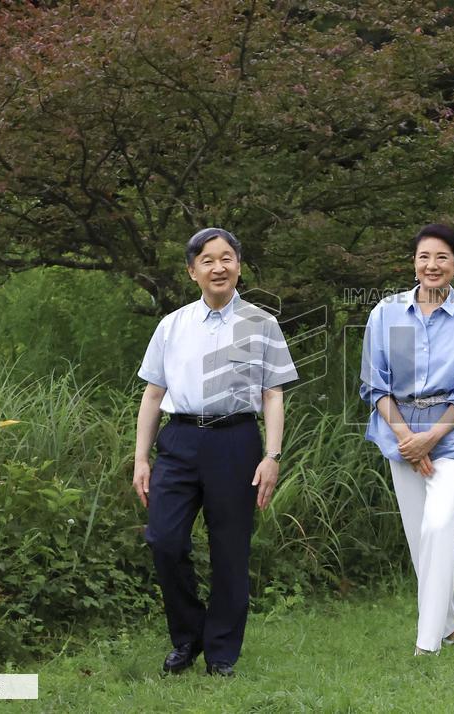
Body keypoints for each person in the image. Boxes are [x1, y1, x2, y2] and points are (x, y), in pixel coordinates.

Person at [132, 227, 298, 676]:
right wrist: (141, 459)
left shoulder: (261, 324)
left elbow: (273, 395)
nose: (218, 267)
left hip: (236, 442)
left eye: (227, 258)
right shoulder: (173, 325)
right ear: (192, 271)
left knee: (230, 551)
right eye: (207, 260)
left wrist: (272, 455)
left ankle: (222, 652)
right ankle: (188, 637)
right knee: (163, 541)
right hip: (180, 441)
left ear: (239, 266)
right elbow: (152, 394)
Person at [360, 223, 454, 656]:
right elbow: (373, 384)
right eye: (424, 257)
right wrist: (407, 438)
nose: (432, 265)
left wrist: (431, 438)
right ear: (413, 263)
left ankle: (427, 645)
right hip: (399, 432)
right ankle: (451, 625)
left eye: (442, 257)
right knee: (424, 538)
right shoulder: (386, 313)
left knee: (440, 526)